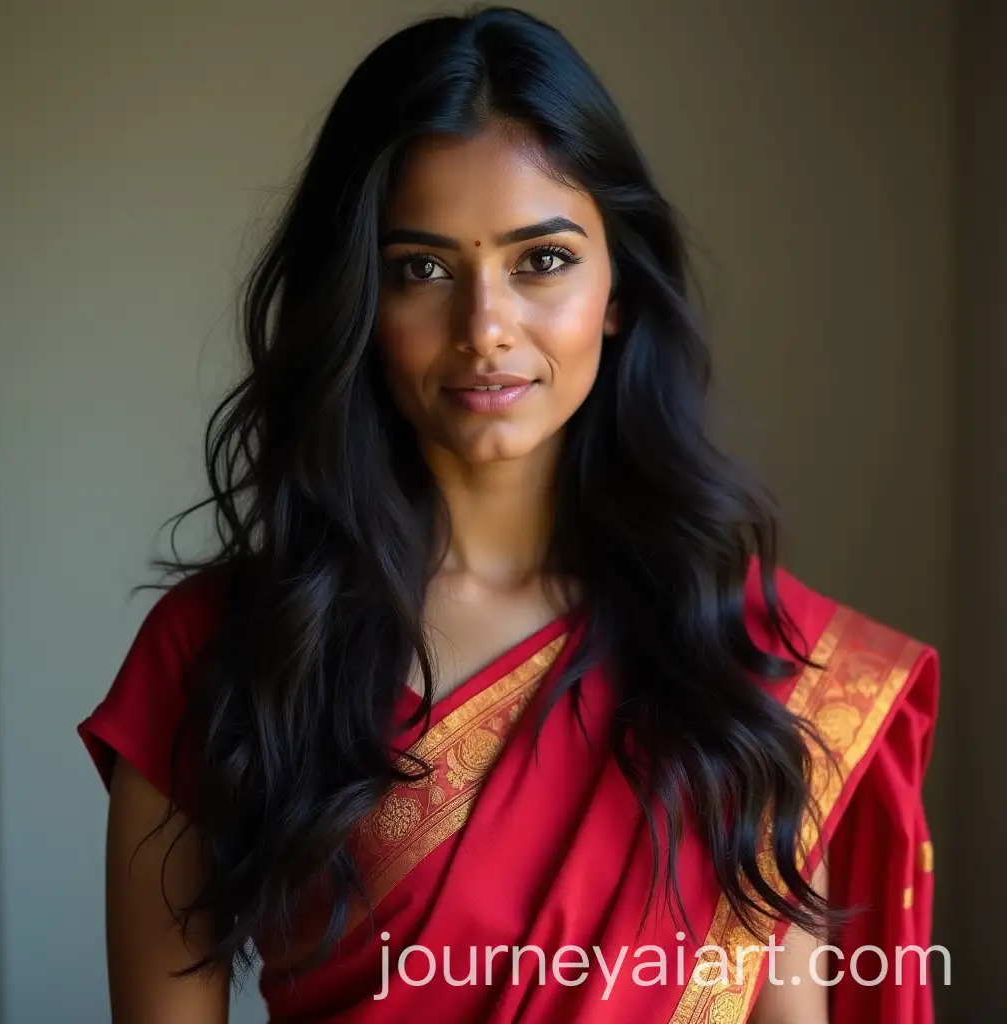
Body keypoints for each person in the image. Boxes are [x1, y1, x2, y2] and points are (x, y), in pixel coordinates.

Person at [77, 7, 939, 1022]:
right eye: (422, 269)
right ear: (358, 298)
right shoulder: (220, 655)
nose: (485, 328)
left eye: (542, 260)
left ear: (617, 288)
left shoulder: (760, 661)